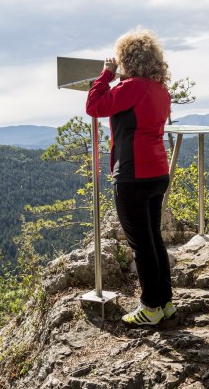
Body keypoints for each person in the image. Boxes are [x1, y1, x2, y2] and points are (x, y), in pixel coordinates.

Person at [86, 28, 175, 327]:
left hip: (133, 175)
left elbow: (94, 106)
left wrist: (105, 75)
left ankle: (150, 308)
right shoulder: (160, 90)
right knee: (154, 240)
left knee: (142, 245)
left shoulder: (132, 87)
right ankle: (164, 302)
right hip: (157, 172)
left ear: (127, 59)